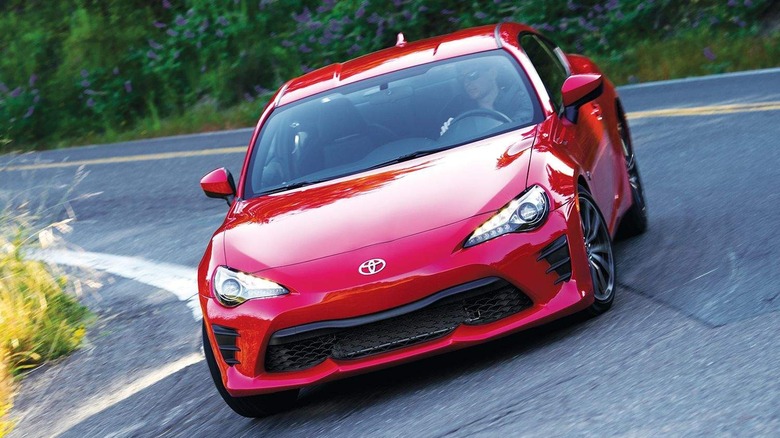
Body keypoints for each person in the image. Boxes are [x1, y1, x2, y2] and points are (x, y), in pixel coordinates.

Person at [439, 59, 533, 136]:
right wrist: (449, 133)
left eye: (472, 75)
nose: (466, 83)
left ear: (492, 73)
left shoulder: (519, 100)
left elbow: (526, 131)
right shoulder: (461, 112)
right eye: (462, 79)